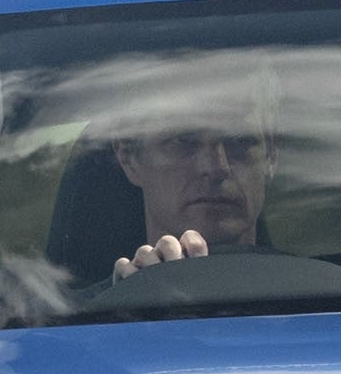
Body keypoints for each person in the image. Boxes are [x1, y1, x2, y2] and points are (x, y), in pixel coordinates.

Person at [106, 91, 273, 280]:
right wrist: (131, 299)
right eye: (182, 141)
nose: (216, 167)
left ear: (271, 155)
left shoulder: (311, 290)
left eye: (239, 140)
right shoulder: (98, 307)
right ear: (129, 158)